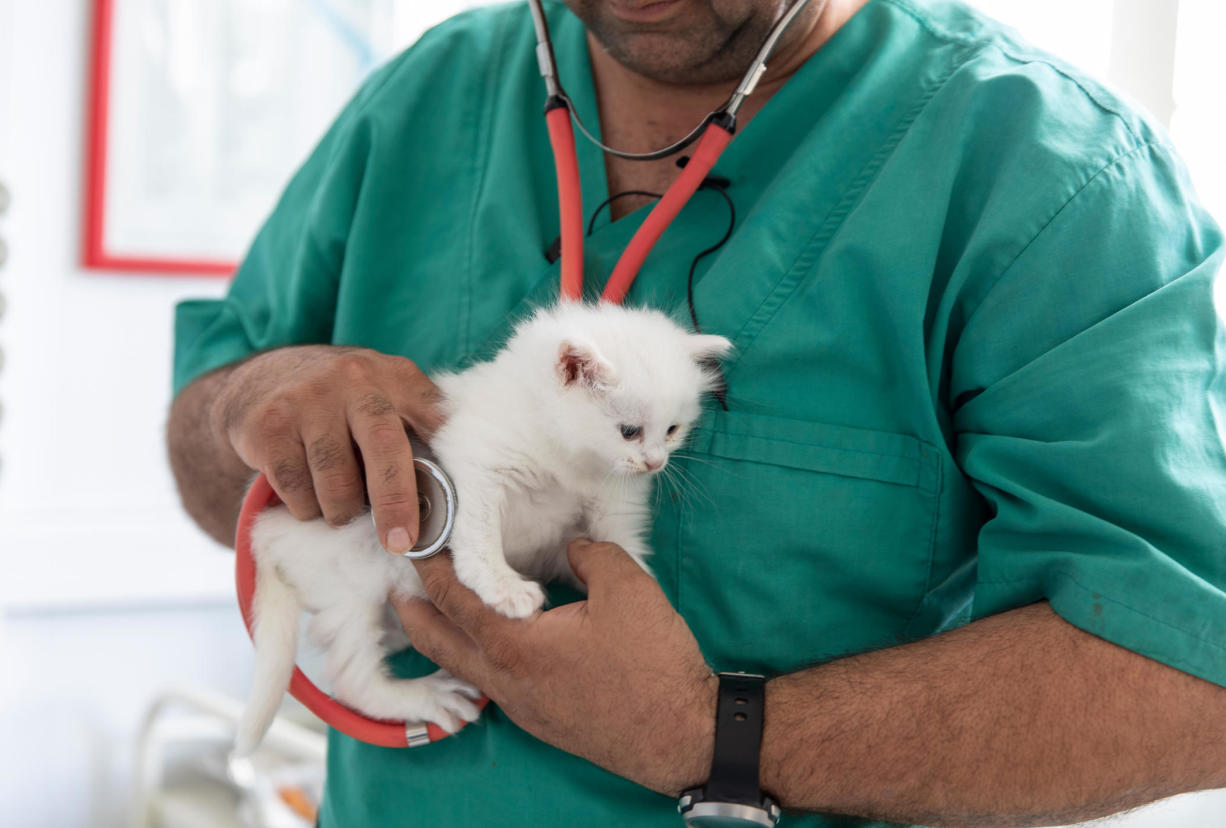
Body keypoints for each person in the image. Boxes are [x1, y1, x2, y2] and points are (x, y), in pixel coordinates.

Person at [166, 0, 1226, 825]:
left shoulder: (1049, 177)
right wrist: (255, 399)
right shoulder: (422, 101)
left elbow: (1187, 672)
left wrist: (712, 736)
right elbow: (211, 459)